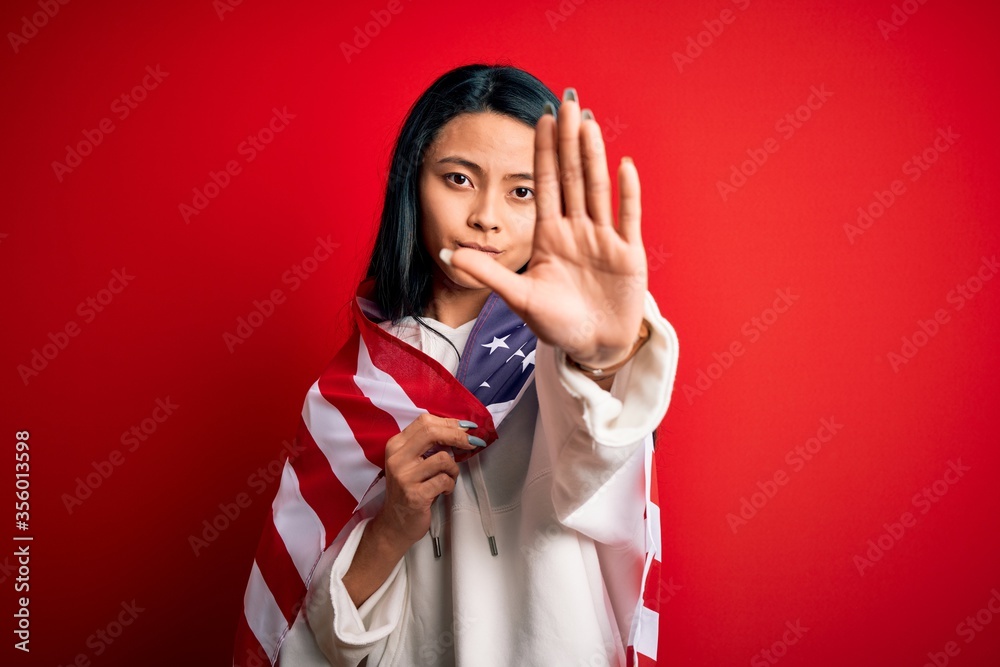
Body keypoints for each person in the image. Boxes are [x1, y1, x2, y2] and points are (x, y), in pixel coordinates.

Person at [234, 63, 680, 667]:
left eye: (522, 191)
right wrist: (393, 526)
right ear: (412, 183)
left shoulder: (563, 358)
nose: (486, 217)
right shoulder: (345, 393)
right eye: (459, 179)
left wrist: (603, 355)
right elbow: (318, 639)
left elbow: (600, 456)